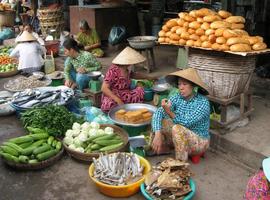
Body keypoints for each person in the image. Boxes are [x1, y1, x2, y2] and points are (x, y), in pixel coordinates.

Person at [150, 68, 211, 162]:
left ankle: (180, 164)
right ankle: (162, 147)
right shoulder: (177, 97)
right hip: (181, 136)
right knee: (160, 120)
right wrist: (158, 134)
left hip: (199, 141)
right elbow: (158, 112)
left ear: (193, 86)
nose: (181, 87)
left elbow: (186, 122)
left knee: (177, 128)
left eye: (184, 84)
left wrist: (169, 112)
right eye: (179, 84)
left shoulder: (203, 103)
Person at [101, 46, 155, 113]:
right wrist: (118, 100)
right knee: (109, 104)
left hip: (125, 94)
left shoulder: (127, 68)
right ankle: (122, 106)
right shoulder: (113, 70)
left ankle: (126, 105)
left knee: (140, 90)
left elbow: (133, 75)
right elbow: (104, 88)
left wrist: (148, 77)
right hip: (113, 95)